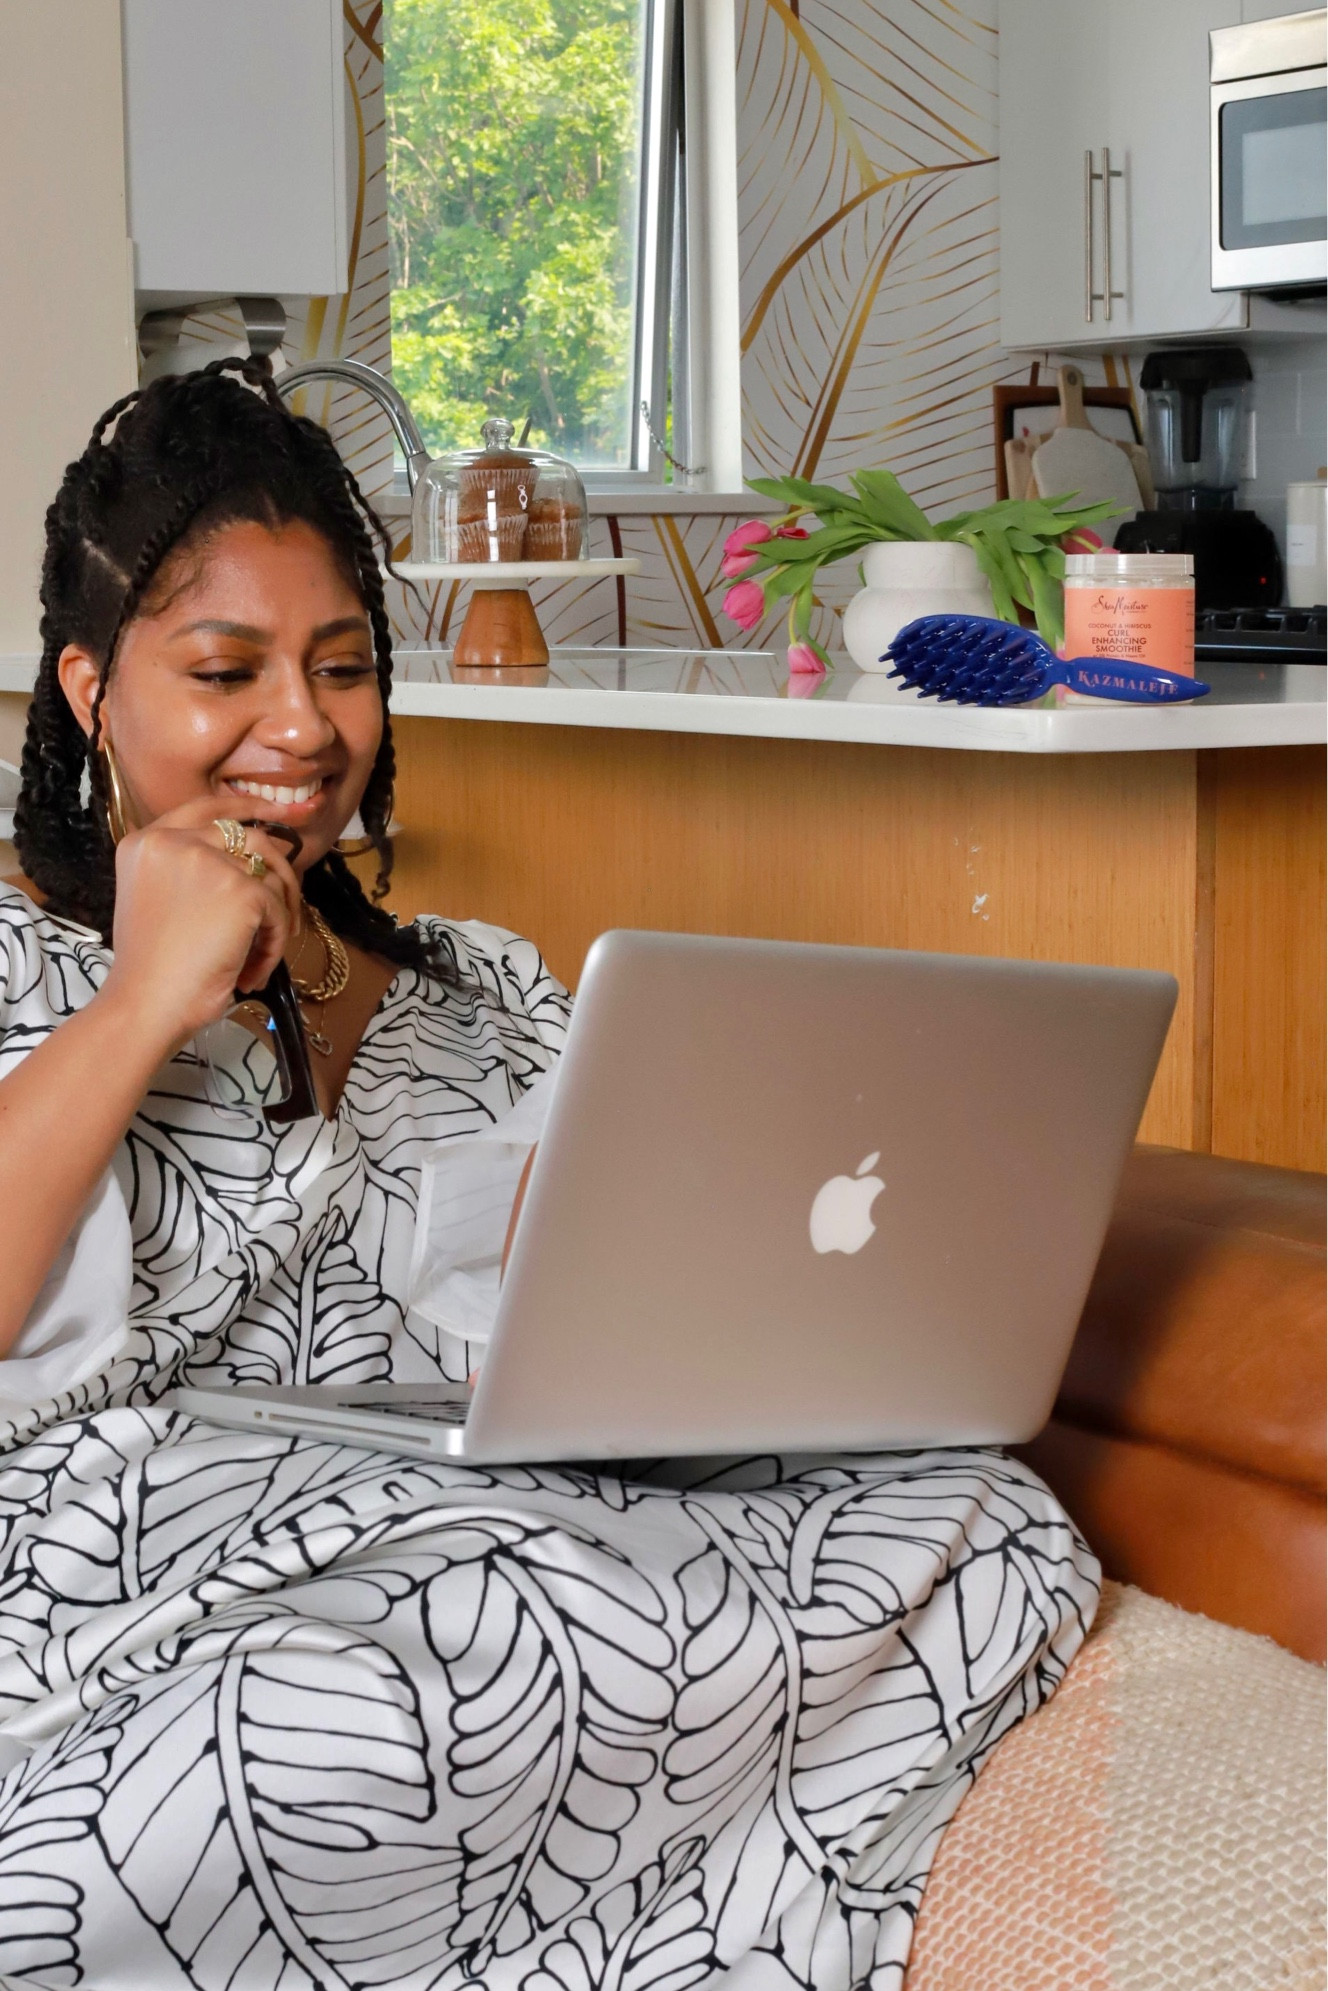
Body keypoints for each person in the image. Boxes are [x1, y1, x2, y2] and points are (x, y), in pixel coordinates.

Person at [0, 360, 1097, 1989]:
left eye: (345, 667)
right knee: (240, 1760)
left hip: (494, 1536)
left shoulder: (489, 993)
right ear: (90, 695)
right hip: (150, 1609)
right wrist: (143, 999)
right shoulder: (23, 960)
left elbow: (639, 1311)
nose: (302, 728)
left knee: (993, 1527)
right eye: (225, 670)